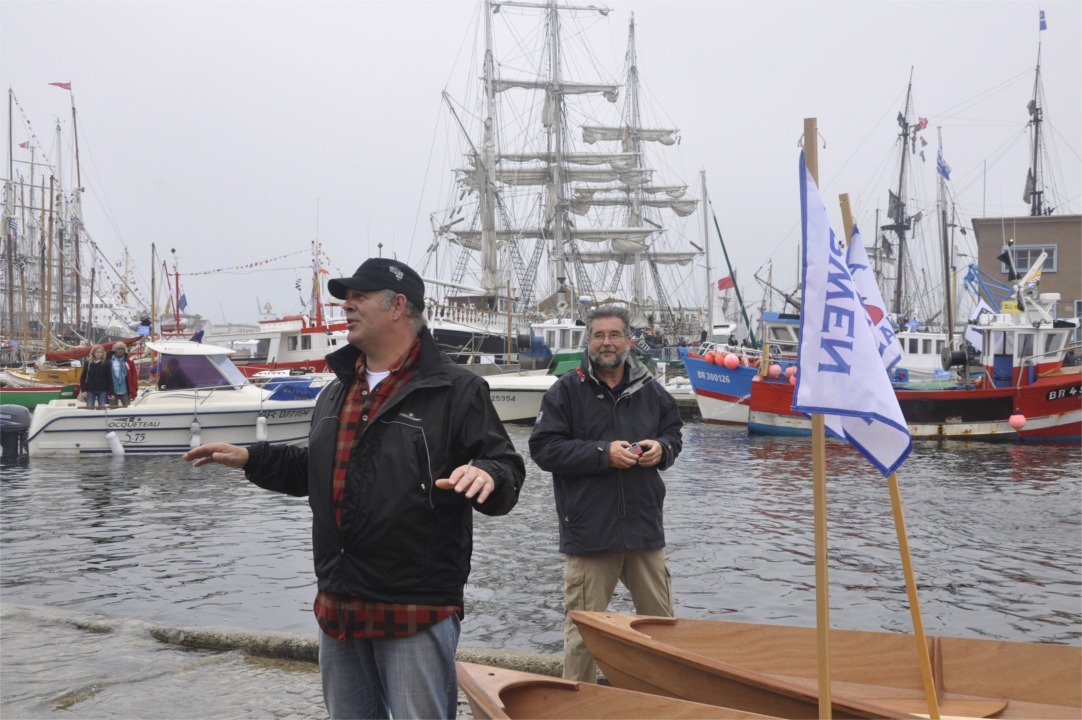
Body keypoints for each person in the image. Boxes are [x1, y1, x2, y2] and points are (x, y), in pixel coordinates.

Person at [182, 257, 525, 719]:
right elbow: (314, 470)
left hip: (414, 605)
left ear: (398, 305)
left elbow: (505, 465)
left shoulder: (456, 389)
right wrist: (252, 458)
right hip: (339, 601)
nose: (347, 305)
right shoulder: (337, 391)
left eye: (359, 296)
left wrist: (490, 474)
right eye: (347, 297)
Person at [529, 304, 683, 683]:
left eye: (614, 335)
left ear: (628, 340)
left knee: (662, 632)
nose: (607, 343)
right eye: (599, 335)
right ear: (589, 342)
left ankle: (668, 706)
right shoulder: (565, 391)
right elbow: (544, 449)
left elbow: (674, 436)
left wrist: (662, 450)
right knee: (584, 634)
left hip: (645, 531)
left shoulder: (652, 390)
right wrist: (602, 454)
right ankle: (573, 708)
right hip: (590, 533)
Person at [80, 344, 111, 409]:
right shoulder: (88, 363)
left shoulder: (106, 363)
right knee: (89, 407)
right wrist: (84, 390)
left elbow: (109, 378)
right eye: (97, 352)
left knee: (102, 408)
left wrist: (111, 392)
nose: (99, 354)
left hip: (102, 390)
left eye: (101, 352)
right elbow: (83, 377)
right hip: (90, 390)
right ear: (93, 353)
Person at [108, 341, 138, 407]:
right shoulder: (110, 360)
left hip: (124, 387)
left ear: (124, 350)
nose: (120, 351)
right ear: (115, 350)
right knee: (113, 408)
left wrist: (134, 388)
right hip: (113, 388)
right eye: (118, 349)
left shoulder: (128, 360)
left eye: (122, 349)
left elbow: (133, 375)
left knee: (127, 406)